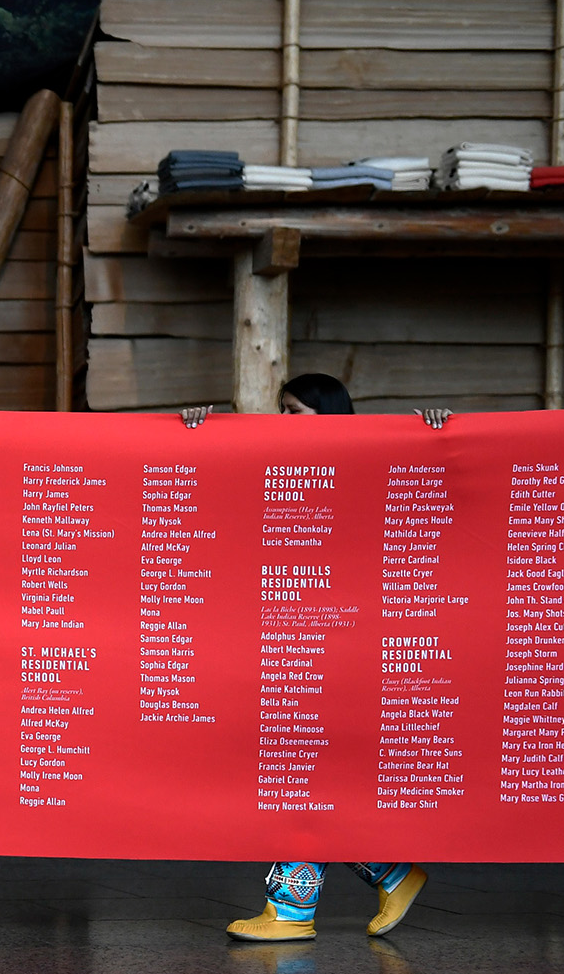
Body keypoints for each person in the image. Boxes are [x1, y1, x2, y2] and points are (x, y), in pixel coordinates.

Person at [184, 372, 446, 941]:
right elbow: (213, 488)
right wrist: (196, 434)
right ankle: (388, 873)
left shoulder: (369, 464)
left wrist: (433, 434)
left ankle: (293, 911)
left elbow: (435, 492)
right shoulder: (275, 468)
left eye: (294, 411)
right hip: (288, 644)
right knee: (302, 776)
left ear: (329, 415)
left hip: (339, 652)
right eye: (279, 411)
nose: (281, 423)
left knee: (295, 774)